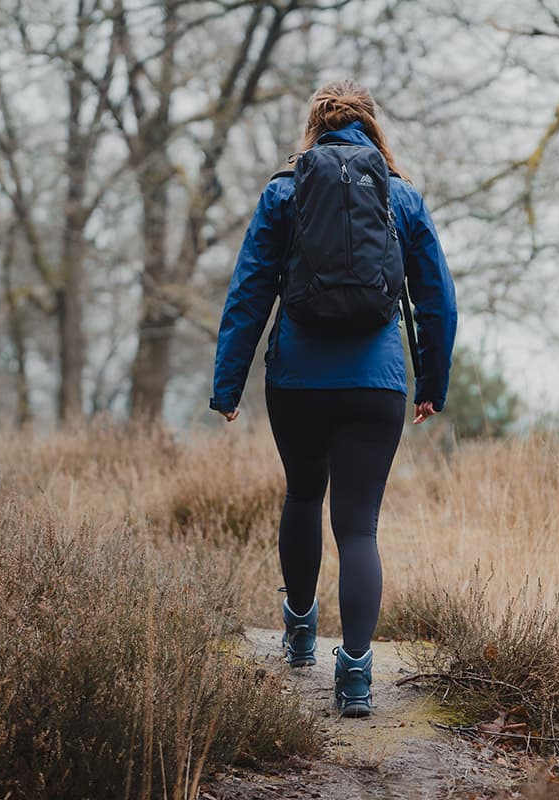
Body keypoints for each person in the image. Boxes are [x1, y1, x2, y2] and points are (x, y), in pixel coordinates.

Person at [209, 79, 457, 718]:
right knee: (357, 526)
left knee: (302, 495)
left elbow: (249, 291)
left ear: (314, 128)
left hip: (297, 381)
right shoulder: (401, 198)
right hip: (376, 386)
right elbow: (437, 299)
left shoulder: (283, 194)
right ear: (373, 128)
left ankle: (297, 634)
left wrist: (227, 385)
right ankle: (355, 677)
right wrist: (432, 382)